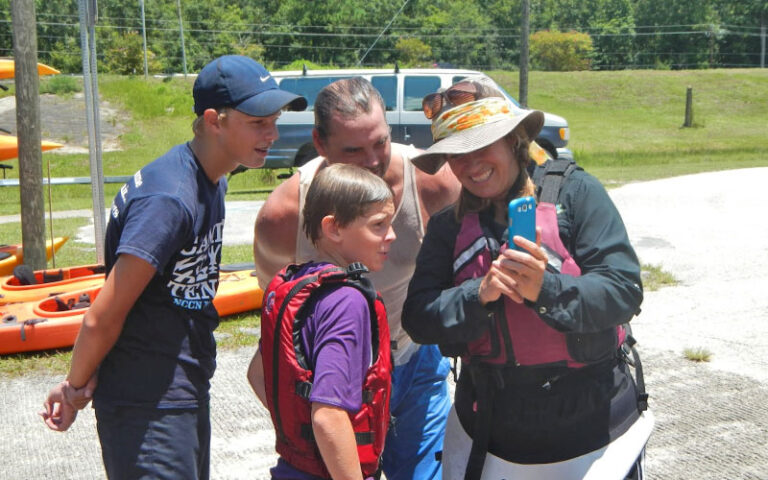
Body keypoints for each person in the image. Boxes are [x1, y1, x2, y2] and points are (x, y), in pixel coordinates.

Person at [39, 55, 306, 479]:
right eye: (259, 122)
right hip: (147, 401)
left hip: (179, 390)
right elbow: (103, 316)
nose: (272, 134)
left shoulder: (211, 178)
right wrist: (73, 390)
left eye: (274, 120)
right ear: (215, 120)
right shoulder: (169, 198)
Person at [402, 79, 654, 480]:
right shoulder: (448, 226)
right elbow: (417, 318)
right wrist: (477, 294)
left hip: (594, 433)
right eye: (455, 154)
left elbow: (624, 291)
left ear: (514, 140)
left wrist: (547, 290)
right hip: (489, 433)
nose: (470, 165)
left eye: (481, 146)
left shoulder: (577, 193)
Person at [253, 77, 461, 479]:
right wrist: (309, 429)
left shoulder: (434, 183)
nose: (373, 161)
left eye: (380, 142)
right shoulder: (283, 218)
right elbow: (277, 326)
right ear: (320, 144)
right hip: (336, 379)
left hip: (413, 361)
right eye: (353, 150)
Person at [248, 163, 395, 480]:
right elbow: (328, 415)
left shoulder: (298, 283)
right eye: (379, 225)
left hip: (292, 469)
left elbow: (258, 374)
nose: (391, 236)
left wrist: (300, 433)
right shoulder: (347, 302)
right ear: (334, 229)